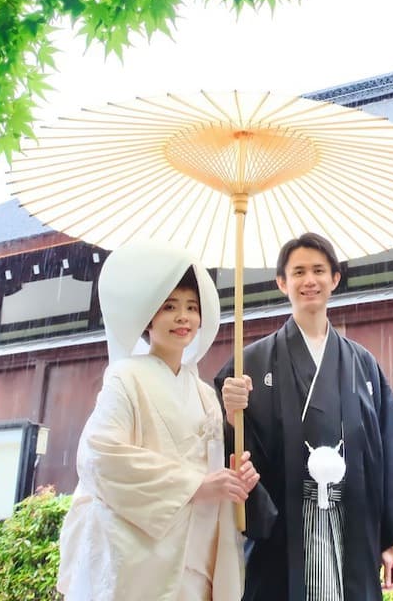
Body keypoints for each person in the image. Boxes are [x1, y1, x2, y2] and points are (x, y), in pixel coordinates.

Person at [217, 232, 393, 601]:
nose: (310, 281)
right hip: (283, 534)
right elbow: (235, 450)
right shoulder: (250, 364)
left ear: (335, 279)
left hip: (352, 532)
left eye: (319, 271)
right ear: (281, 283)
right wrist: (230, 414)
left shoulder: (362, 364)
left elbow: (384, 451)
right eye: (299, 272)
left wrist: (387, 540)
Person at [58, 239, 260, 601]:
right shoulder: (125, 377)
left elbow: (212, 474)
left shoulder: (204, 395)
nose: (183, 317)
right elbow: (100, 456)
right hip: (138, 551)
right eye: (170, 307)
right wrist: (194, 485)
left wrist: (233, 477)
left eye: (191, 307)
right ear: (149, 317)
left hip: (196, 552)